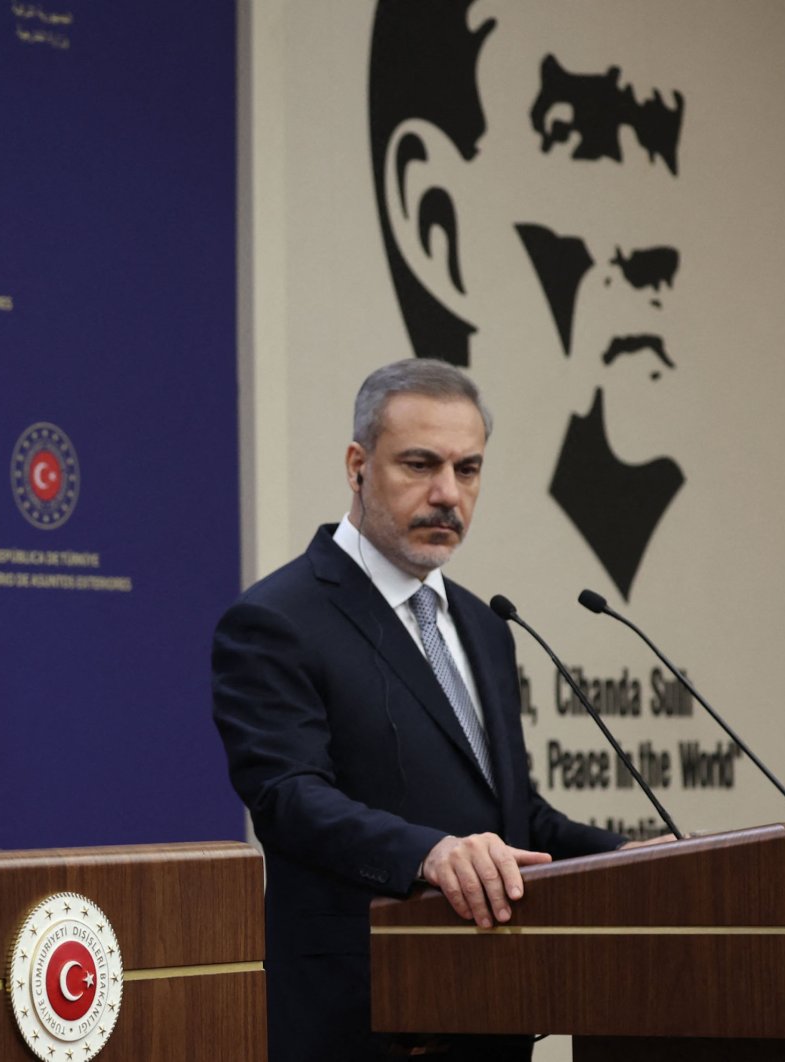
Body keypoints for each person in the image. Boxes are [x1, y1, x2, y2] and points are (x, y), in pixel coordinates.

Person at [212, 359, 629, 1062]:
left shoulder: (484, 626)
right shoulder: (277, 619)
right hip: (357, 1021)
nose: (447, 494)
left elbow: (516, 816)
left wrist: (630, 858)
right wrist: (428, 854)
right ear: (357, 465)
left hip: (488, 1011)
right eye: (419, 465)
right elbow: (288, 798)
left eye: (468, 470)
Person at [368, 0, 689, 599]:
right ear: (438, 225)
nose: (647, 246)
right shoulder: (289, 627)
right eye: (576, 136)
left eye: (655, 137)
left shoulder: (487, 630)